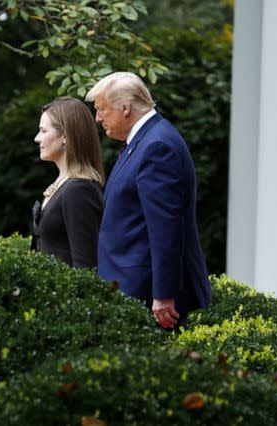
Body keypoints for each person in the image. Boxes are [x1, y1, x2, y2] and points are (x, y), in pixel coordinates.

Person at [85, 72, 211, 329]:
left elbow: (166, 227)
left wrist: (164, 294)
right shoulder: (144, 141)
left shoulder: (157, 146)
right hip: (132, 289)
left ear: (125, 108)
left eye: (101, 109)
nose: (98, 118)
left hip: (145, 297)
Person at [31, 96, 104, 268]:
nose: (37, 138)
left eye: (43, 131)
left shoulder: (79, 189)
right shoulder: (64, 184)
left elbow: (85, 267)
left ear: (65, 136)